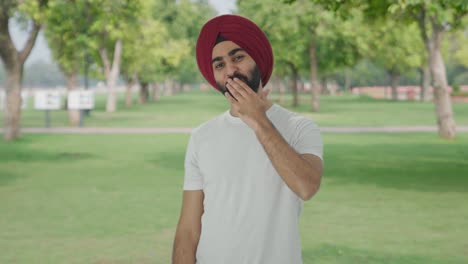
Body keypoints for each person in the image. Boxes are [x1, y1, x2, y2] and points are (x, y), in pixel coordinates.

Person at [172, 14, 323, 264]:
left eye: (238, 57)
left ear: (257, 58)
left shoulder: (299, 127)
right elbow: (188, 231)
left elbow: (307, 187)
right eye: (219, 65)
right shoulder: (202, 137)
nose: (231, 71)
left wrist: (258, 120)